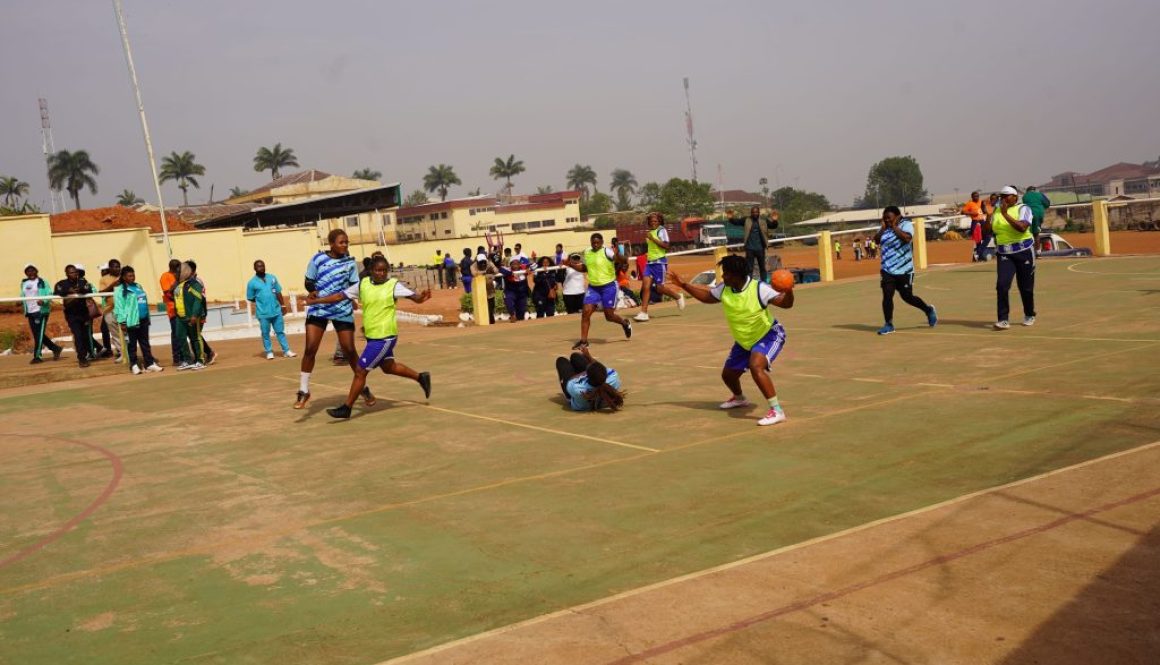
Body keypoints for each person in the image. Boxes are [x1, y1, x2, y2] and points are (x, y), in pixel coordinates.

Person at [668, 254, 794, 426]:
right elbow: (708, 297)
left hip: (768, 335)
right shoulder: (724, 289)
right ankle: (740, 398)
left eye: (726, 273)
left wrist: (788, 290)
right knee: (728, 376)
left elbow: (785, 304)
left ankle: (777, 410)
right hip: (744, 340)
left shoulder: (759, 288)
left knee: (755, 366)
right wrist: (683, 285)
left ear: (738, 275)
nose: (723, 277)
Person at [305, 255, 432, 419]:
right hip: (373, 337)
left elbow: (416, 298)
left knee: (360, 371)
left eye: (385, 270)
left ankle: (347, 407)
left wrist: (422, 297)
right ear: (371, 271)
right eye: (378, 270)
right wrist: (316, 302)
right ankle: (421, 377)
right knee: (388, 367)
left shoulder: (393, 285)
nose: (382, 273)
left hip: (385, 337)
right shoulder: (362, 284)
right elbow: (339, 296)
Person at [296, 229, 372, 409]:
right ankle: (303, 391)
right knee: (310, 349)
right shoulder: (317, 259)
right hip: (319, 308)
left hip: (341, 308)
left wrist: (355, 300)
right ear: (331, 244)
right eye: (341, 242)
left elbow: (354, 286)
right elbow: (308, 280)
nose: (345, 245)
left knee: (349, 350)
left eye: (347, 242)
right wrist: (311, 289)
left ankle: (363, 388)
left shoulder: (350, 263)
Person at [873, 206, 938, 335]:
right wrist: (882, 229)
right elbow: (876, 240)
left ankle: (928, 310)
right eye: (885, 218)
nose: (887, 220)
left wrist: (895, 227)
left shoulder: (906, 225)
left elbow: (907, 238)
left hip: (904, 270)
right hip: (887, 269)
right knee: (887, 295)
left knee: (907, 297)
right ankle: (889, 324)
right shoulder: (884, 228)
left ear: (897, 217)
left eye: (889, 218)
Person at [566, 232, 631, 349]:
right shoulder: (587, 252)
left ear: (601, 242)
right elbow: (584, 268)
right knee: (586, 312)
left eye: (598, 242)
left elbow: (622, 260)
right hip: (593, 287)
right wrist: (571, 265)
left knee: (609, 316)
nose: (595, 244)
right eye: (593, 242)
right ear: (591, 242)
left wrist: (618, 255)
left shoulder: (607, 251)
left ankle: (624, 323)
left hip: (609, 286)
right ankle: (584, 341)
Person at [986, 185, 1036, 329]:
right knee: (1002, 285)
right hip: (1004, 253)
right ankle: (1003, 319)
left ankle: (1029, 313)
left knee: (1025, 287)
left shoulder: (1023, 209)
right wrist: (989, 215)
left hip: (1024, 250)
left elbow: (1022, 228)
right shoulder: (996, 211)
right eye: (1002, 196)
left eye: (1007, 196)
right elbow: (987, 232)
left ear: (1015, 197)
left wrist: (1006, 214)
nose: (1004, 199)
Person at [634, 212, 687, 322]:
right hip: (650, 263)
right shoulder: (650, 233)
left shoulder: (661, 230)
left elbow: (666, 246)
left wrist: (653, 239)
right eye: (651, 221)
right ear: (648, 222)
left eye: (656, 221)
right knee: (645, 286)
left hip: (660, 263)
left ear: (660, 222)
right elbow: (651, 248)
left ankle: (677, 296)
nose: (653, 223)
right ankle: (644, 312)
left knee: (659, 288)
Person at [113, 266, 163, 375]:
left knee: (145, 343)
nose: (132, 277)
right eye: (129, 276)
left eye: (133, 275)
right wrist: (122, 322)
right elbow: (119, 307)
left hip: (143, 319)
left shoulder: (138, 286)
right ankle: (134, 365)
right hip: (131, 321)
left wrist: (147, 317)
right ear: (124, 277)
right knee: (132, 344)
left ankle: (149, 364)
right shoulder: (119, 290)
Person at [246, 260, 296, 360]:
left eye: (263, 266)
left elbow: (278, 292)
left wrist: (283, 306)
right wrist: (262, 302)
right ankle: (269, 351)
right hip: (263, 313)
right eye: (259, 266)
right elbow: (250, 298)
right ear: (255, 269)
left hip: (276, 311)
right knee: (265, 333)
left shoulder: (272, 278)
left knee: (280, 332)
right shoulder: (252, 283)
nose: (261, 268)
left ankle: (286, 351)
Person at [555, 346, 625, 412]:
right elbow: (600, 368)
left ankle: (569, 398)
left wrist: (584, 373)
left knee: (561, 361)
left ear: (587, 376)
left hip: (581, 405)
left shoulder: (577, 389)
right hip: (598, 391)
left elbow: (571, 380)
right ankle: (592, 371)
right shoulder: (613, 376)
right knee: (575, 357)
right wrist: (588, 356)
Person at [53, 264, 96, 367]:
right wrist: (69, 291)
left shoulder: (82, 281)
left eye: (75, 272)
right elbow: (56, 291)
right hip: (72, 314)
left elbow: (89, 289)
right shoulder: (62, 283)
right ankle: (82, 358)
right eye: (71, 272)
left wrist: (80, 290)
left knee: (86, 335)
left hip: (84, 313)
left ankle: (87, 354)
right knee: (78, 336)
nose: (74, 274)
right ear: (67, 274)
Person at [21, 264, 63, 364]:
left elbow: (49, 294)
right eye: (28, 271)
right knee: (37, 335)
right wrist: (20, 301)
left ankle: (37, 356)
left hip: (40, 311)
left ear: (37, 271)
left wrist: (43, 301)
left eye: (33, 270)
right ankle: (55, 348)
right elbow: (23, 294)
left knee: (38, 334)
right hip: (30, 312)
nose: (31, 273)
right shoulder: (24, 283)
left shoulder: (42, 282)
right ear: (26, 273)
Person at [174, 261, 208, 371]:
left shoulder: (194, 284)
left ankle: (200, 360)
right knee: (180, 337)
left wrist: (194, 315)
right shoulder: (179, 285)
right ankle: (187, 360)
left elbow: (198, 301)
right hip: (180, 317)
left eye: (179, 271)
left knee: (195, 338)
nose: (177, 273)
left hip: (191, 316)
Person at [159, 258, 185, 365]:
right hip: (173, 309)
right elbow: (168, 293)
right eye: (179, 268)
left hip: (182, 309)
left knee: (182, 334)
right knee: (176, 334)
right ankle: (177, 358)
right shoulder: (165, 276)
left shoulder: (178, 277)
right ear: (175, 268)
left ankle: (184, 355)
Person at [742, 206, 778, 282]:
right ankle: (749, 284)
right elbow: (736, 221)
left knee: (762, 268)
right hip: (749, 249)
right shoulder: (746, 220)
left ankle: (764, 283)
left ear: (759, 213)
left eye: (756, 212)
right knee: (749, 268)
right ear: (751, 213)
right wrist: (731, 218)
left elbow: (773, 226)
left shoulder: (763, 221)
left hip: (760, 248)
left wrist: (775, 220)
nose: (755, 213)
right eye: (753, 212)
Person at [98, 259, 123, 360]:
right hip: (109, 309)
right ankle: (122, 353)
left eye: (118, 266)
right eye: (115, 267)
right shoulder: (104, 279)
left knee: (125, 332)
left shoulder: (124, 277)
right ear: (110, 268)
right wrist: (113, 285)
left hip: (123, 309)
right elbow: (101, 293)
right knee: (115, 333)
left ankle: (129, 352)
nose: (117, 268)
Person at [470, 253, 500, 324]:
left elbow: (496, 270)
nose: (483, 264)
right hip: (480, 291)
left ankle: (491, 320)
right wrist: (485, 273)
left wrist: (491, 273)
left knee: (491, 306)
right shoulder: (473, 266)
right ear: (477, 262)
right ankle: (486, 320)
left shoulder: (489, 263)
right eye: (481, 262)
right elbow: (474, 273)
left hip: (490, 290)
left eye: (484, 262)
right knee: (482, 306)